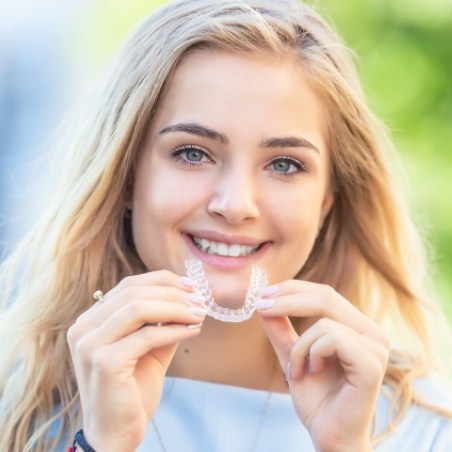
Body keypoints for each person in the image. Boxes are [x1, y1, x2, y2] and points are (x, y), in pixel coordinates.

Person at [0, 0, 451, 450]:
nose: (235, 205)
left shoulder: (428, 429)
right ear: (125, 178)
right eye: (192, 153)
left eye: (285, 164)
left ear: (326, 203)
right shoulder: (20, 412)